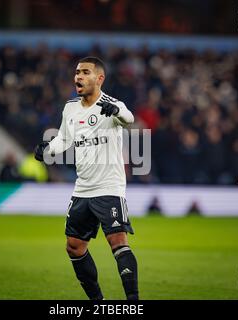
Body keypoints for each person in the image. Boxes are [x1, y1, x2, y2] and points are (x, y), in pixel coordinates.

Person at [34, 56, 139, 300]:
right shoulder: (70, 107)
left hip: (109, 187)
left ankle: (134, 302)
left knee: (118, 242)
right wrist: (47, 149)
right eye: (77, 72)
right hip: (82, 189)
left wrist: (116, 112)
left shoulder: (111, 104)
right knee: (74, 246)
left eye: (85, 72)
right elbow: (64, 138)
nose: (78, 77)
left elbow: (128, 117)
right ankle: (97, 302)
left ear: (99, 78)